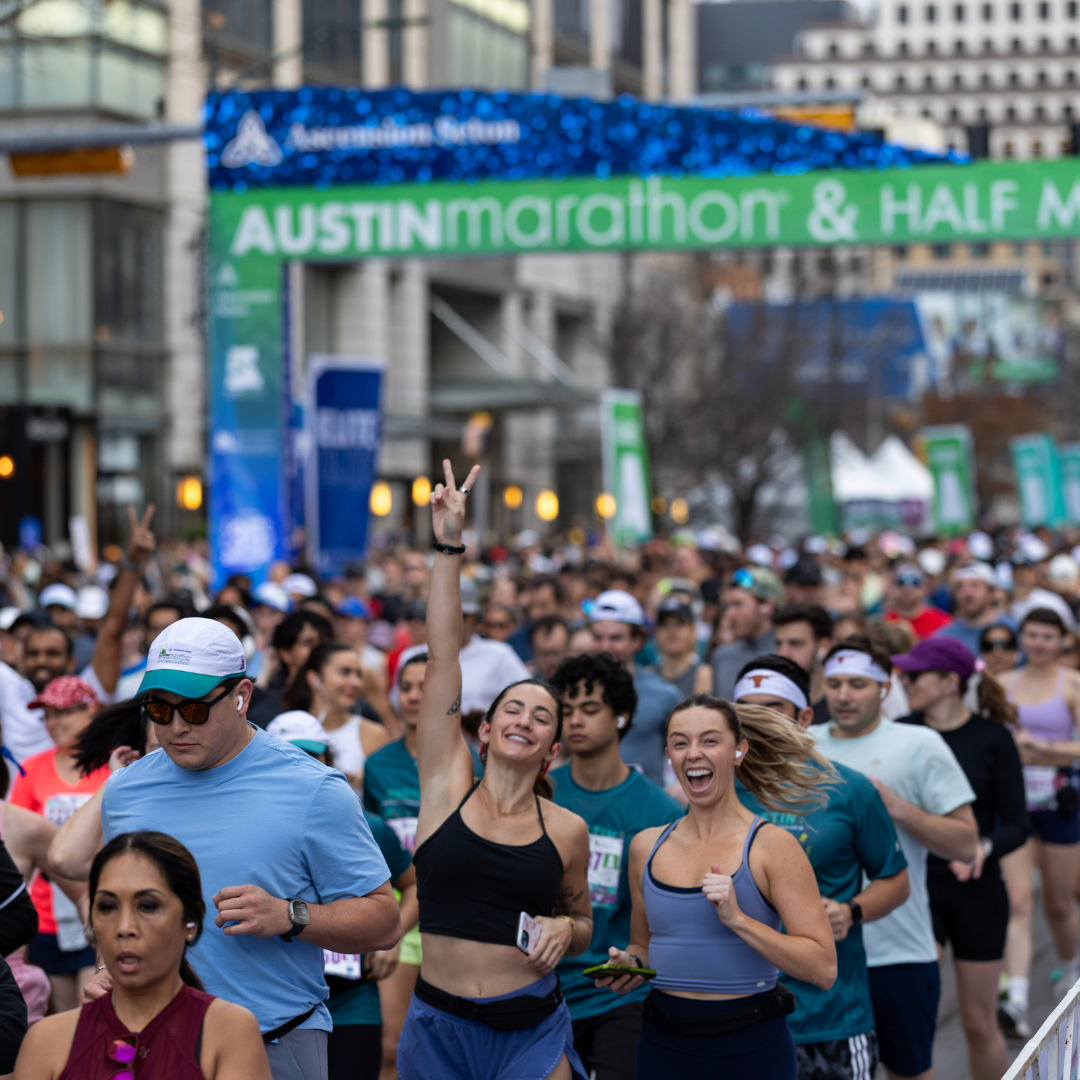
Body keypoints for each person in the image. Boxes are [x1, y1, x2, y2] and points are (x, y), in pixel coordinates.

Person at [48, 617, 400, 1080]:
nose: (174, 727)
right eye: (158, 710)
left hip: (275, 1040)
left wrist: (290, 916)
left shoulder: (312, 788)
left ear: (242, 696)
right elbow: (119, 905)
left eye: (193, 709)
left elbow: (384, 920)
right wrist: (107, 968)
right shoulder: (127, 789)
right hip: (150, 1045)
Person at [399, 461, 593, 1080]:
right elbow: (445, 659)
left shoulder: (566, 830)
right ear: (483, 729)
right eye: (513, 708)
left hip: (531, 1027)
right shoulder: (444, 786)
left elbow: (583, 922)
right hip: (438, 1027)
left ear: (552, 749)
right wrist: (450, 543)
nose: (526, 720)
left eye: (543, 717)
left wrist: (567, 929)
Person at [597, 694, 837, 1078]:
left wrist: (739, 919)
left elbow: (822, 967)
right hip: (663, 1044)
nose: (693, 753)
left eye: (709, 740)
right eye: (680, 743)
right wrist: (629, 964)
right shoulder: (646, 846)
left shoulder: (772, 846)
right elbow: (643, 946)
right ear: (669, 757)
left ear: (738, 750)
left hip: (751, 1046)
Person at [734, 655, 910, 1080]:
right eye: (744, 710)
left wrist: (851, 911)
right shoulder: (717, 790)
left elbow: (896, 880)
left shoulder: (848, 788)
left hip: (833, 1016)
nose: (757, 720)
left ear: (805, 716)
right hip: (740, 1018)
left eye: (772, 707)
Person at [813, 637, 978, 1080]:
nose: (844, 695)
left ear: (885, 689)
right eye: (834, 683)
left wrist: (899, 808)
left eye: (857, 684)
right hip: (816, 952)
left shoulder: (919, 744)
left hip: (899, 951)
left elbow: (966, 843)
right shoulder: (803, 746)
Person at [14, 830, 270, 1080]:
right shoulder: (47, 1041)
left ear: (190, 920)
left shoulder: (229, 1031)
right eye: (107, 907)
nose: (125, 927)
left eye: (147, 906)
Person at [893, 638, 1028, 1080]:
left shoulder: (992, 738)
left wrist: (981, 849)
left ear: (950, 682)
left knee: (978, 1022)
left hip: (977, 890)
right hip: (914, 892)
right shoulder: (902, 731)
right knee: (914, 1023)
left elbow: (1016, 823)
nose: (904, 681)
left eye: (914, 675)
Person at [547, 653, 684, 1080]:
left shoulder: (657, 807)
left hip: (621, 995)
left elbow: (671, 916)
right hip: (543, 990)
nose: (574, 722)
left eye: (590, 710)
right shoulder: (541, 794)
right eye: (566, 712)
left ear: (622, 717)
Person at [998, 607, 1080, 1032]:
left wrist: (1045, 749)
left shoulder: (1071, 685)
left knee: (1059, 901)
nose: (1038, 643)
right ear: (1022, 637)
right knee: (1018, 901)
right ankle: (1017, 998)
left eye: (1047, 636)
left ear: (1061, 641)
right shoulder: (1002, 683)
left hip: (1060, 802)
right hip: (1016, 801)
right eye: (1031, 635)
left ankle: (1069, 969)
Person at [11, 677, 111, 1011]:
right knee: (59, 1022)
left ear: (91, 711)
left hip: (97, 908)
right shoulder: (30, 770)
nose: (54, 724)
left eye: (63, 713)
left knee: (93, 1017)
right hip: (44, 916)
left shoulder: (115, 768)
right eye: (48, 715)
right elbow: (15, 842)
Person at [326, 813, 417, 1080]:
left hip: (352, 997)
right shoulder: (262, 818)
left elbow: (414, 882)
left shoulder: (366, 823)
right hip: (283, 996)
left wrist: (391, 935)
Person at [589, 591, 681, 787]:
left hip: (648, 813)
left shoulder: (665, 694)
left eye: (616, 638)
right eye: (598, 637)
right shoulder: (571, 693)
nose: (605, 647)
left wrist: (680, 786)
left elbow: (686, 754)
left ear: (637, 641)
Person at [280, 643, 391, 790]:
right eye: (345, 672)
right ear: (314, 678)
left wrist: (369, 779)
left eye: (358, 674)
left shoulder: (374, 735)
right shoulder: (287, 728)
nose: (356, 682)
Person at [248, 610, 333, 729]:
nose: (318, 650)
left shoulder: (345, 703)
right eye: (308, 643)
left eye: (323, 643)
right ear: (285, 654)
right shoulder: (262, 710)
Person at [458, 581, 532, 716]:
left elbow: (530, 696)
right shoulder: (417, 655)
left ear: (475, 618)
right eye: (447, 614)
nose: (454, 621)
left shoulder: (499, 653)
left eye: (463, 615)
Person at [708, 567, 783, 699]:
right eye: (727, 606)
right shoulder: (722, 656)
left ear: (767, 607)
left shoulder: (787, 654)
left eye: (738, 604)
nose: (729, 614)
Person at [772, 604, 834, 726]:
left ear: (824, 647)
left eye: (795, 644)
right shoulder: (767, 701)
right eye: (779, 644)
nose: (782, 653)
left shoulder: (841, 702)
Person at [935, 564, 1014, 656]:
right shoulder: (943, 637)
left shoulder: (1014, 630)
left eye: (975, 585)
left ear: (991, 593)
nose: (967, 593)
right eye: (960, 587)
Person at [649, 597, 712, 699]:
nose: (672, 630)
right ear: (656, 633)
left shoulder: (702, 674)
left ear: (693, 632)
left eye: (679, 624)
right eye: (665, 625)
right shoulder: (648, 674)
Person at [882, 564, 951, 643]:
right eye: (901, 583)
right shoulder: (885, 622)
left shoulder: (942, 622)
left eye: (915, 583)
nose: (907, 589)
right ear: (892, 588)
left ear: (924, 589)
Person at [509, 577, 564, 663]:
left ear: (560, 604)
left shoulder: (576, 640)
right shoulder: (515, 643)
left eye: (543, 606)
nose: (534, 613)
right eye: (531, 606)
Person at [529, 617, 569, 682]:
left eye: (556, 653)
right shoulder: (526, 681)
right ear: (533, 651)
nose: (551, 661)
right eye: (545, 654)